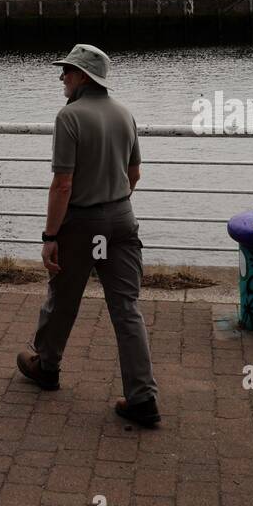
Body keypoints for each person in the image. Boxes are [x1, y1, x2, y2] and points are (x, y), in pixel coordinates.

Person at [16, 43, 160, 426]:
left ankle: (46, 367)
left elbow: (63, 184)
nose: (61, 76)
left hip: (82, 224)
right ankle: (143, 397)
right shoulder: (125, 114)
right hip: (122, 221)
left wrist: (50, 236)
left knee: (63, 297)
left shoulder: (70, 117)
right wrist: (113, 205)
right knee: (126, 309)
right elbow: (135, 175)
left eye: (66, 70)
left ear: (82, 77)